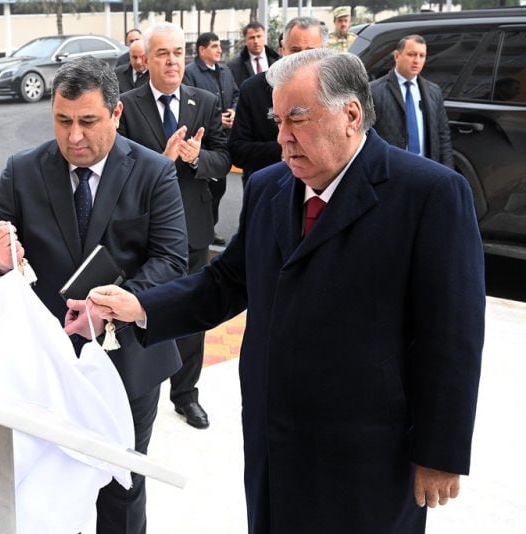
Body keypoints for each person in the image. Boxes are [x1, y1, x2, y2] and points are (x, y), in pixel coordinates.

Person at [84, 49, 485, 533]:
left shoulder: (428, 194)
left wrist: (440, 452)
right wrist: (140, 306)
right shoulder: (269, 187)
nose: (282, 138)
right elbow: (226, 281)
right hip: (275, 439)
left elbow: (452, 336)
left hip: (368, 452)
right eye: (278, 122)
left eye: (297, 118)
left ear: (350, 115)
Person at [0, 56, 189, 534]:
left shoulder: (153, 172)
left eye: (88, 121)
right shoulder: (23, 171)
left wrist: (110, 309)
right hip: (43, 365)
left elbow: (171, 262)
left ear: (116, 113)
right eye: (63, 121)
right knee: (45, 487)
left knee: (121, 486)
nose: (74, 137)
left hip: (128, 362)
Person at [117, 22, 231, 430]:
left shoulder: (204, 101)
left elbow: (224, 158)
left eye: (178, 53)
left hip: (192, 228)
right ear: (146, 60)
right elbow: (117, 167)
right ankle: (136, 387)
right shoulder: (127, 105)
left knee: (192, 314)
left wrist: (197, 157)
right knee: (139, 310)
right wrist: (161, 162)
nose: (172, 61)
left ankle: (186, 394)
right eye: (163, 53)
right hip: (143, 232)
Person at [229, 16, 326, 186]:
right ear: (282, 50)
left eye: (310, 51)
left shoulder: (338, 89)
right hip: (270, 188)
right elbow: (238, 150)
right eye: (295, 50)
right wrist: (286, 151)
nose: (302, 58)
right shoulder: (253, 89)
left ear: (324, 51)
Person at [183, 32, 239, 246]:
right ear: (201, 50)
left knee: (220, 187)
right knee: (204, 191)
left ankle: (210, 225)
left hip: (223, 140)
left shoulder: (225, 70)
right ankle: (204, 229)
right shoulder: (190, 73)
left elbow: (236, 93)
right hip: (202, 142)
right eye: (214, 46)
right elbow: (191, 107)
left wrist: (233, 110)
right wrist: (217, 120)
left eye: (219, 46)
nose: (219, 50)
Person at [371, 35, 454, 167]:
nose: (417, 61)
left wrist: (448, 171)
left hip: (426, 167)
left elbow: (443, 135)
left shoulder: (433, 91)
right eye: (411, 54)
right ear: (397, 56)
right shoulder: (374, 91)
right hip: (391, 169)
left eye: (422, 56)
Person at [227, 22, 281, 89]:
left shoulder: (278, 62)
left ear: (264, 38)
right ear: (245, 41)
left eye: (259, 36)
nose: (256, 41)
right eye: (252, 38)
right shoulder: (234, 67)